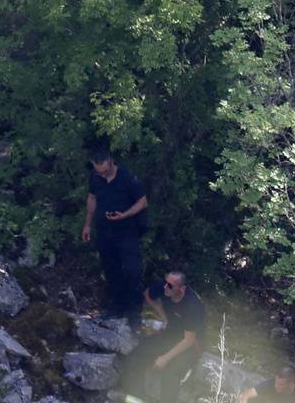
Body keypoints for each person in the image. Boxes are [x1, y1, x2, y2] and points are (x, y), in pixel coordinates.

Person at [82, 144, 149, 327]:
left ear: (111, 162)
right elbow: (92, 198)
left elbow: (143, 202)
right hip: (104, 231)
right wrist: (87, 224)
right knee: (111, 270)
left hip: (126, 230)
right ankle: (117, 307)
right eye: (99, 172)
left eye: (104, 171)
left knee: (133, 271)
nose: (102, 175)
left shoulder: (127, 177)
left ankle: (135, 313)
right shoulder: (95, 177)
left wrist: (124, 214)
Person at [124, 271, 205, 403]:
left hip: (190, 344)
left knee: (171, 374)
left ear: (182, 288)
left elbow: (188, 340)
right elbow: (147, 294)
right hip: (170, 334)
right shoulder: (165, 288)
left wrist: (164, 358)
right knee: (135, 356)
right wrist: (164, 317)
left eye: (170, 286)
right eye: (165, 283)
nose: (165, 287)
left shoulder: (192, 306)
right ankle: (136, 398)